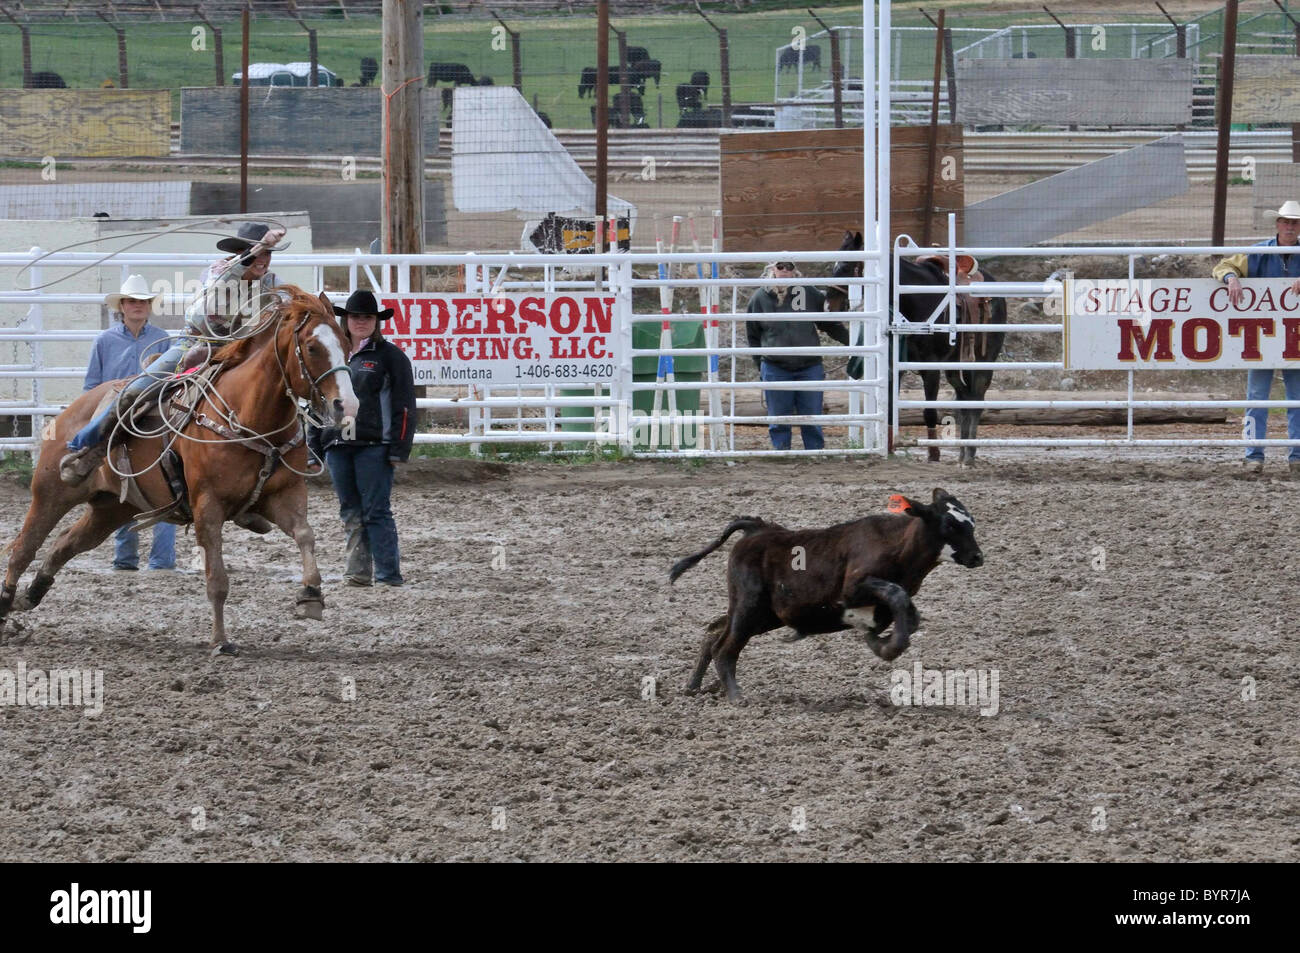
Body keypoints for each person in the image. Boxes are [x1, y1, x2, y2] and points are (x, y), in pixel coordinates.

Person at [59, 222, 287, 484]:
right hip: (196, 344)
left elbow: (289, 302)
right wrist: (256, 249)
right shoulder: (218, 270)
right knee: (137, 390)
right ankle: (90, 447)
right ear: (240, 252)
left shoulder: (272, 283)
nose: (263, 259)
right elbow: (217, 292)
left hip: (243, 351)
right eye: (258, 252)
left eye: (267, 253)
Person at [308, 290, 416, 588]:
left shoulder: (391, 357)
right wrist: (314, 445)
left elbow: (404, 405)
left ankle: (387, 574)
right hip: (337, 443)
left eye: (367, 317)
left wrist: (399, 448)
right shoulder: (334, 354)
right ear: (346, 319)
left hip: (374, 444)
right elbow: (317, 400)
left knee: (376, 510)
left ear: (376, 321)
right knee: (350, 510)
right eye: (355, 316)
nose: (361, 322)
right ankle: (358, 572)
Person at [83, 275, 176, 570]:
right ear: (122, 306)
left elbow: (174, 381)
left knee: (164, 488)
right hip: (118, 417)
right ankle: (128, 559)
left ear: (148, 306)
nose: (138, 306)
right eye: (132, 301)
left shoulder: (163, 339)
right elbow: (92, 386)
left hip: (154, 418)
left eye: (143, 301)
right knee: (122, 487)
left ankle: (160, 561)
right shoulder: (104, 341)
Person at [1212, 200, 1300, 475]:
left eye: (1294, 223)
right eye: (1286, 222)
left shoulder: (1264, 252)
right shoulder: (1259, 252)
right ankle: (1254, 455)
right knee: (1257, 396)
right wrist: (1231, 278)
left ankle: (1296, 456)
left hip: (1293, 337)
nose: (1289, 227)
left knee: (1296, 398)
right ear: (1278, 224)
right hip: (1262, 338)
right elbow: (1223, 266)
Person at [746, 259, 850, 451]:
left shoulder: (808, 292)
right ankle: (781, 452)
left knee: (812, 415)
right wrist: (760, 364)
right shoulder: (760, 297)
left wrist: (853, 342)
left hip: (809, 364)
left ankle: (814, 451)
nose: (785, 270)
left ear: (795, 270)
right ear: (773, 269)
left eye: (789, 266)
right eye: (780, 266)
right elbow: (753, 334)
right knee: (778, 416)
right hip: (775, 365)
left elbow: (828, 322)